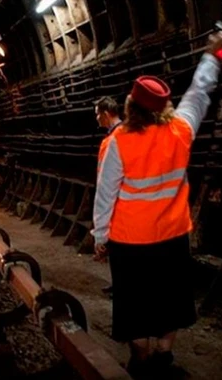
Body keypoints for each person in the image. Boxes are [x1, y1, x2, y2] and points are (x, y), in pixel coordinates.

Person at [91, 31, 222, 377]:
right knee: (171, 297)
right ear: (164, 106)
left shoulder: (118, 143)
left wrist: (100, 236)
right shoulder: (181, 131)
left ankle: (141, 357)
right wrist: (216, 55)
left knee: (135, 301)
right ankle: (165, 354)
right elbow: (199, 93)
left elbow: (106, 194)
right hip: (171, 236)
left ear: (130, 105)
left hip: (130, 240)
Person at [94, 96, 122, 298]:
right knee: (115, 249)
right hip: (115, 199)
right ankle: (117, 283)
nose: (96, 118)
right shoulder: (113, 136)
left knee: (119, 247)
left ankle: (122, 286)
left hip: (118, 202)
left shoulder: (118, 138)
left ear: (105, 114)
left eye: (97, 114)